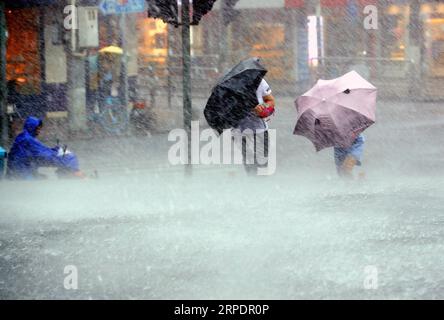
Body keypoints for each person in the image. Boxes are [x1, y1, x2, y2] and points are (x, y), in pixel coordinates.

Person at [6, 116, 84, 180]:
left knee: (45, 178)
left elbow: (41, 152)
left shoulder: (25, 137)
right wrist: (67, 159)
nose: (39, 131)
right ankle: (77, 174)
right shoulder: (27, 140)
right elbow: (45, 156)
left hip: (19, 171)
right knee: (67, 160)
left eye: (40, 129)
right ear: (32, 128)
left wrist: (56, 151)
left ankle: (76, 173)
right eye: (38, 129)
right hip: (22, 174)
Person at [236, 78, 276, 175]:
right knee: (250, 164)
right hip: (242, 131)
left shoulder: (259, 81)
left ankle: (261, 186)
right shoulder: (232, 85)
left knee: (263, 163)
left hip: (260, 130)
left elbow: (271, 101)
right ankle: (252, 186)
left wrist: (263, 108)